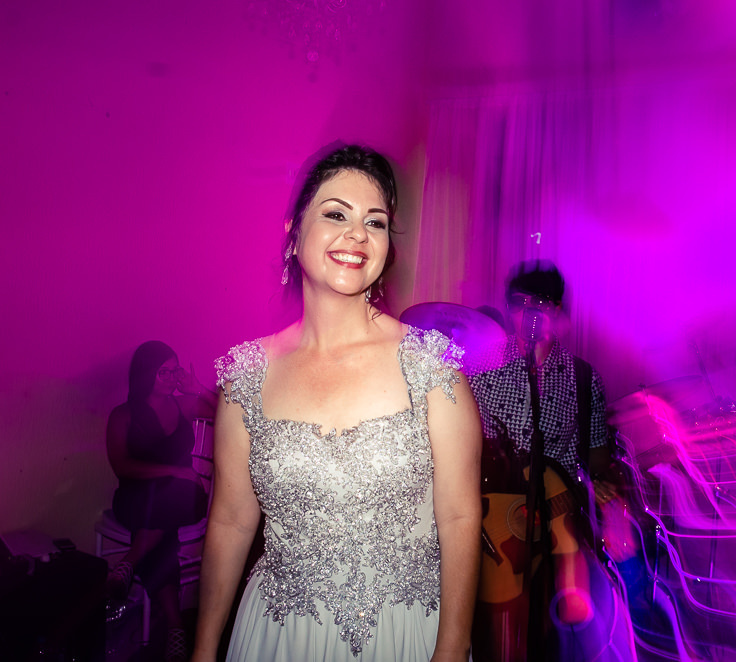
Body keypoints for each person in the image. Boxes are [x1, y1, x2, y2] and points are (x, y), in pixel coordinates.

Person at [191, 144, 482, 662]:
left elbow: (460, 516)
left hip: (403, 634)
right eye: (335, 214)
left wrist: (453, 646)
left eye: (375, 222)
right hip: (278, 636)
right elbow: (232, 521)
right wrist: (204, 648)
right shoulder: (246, 376)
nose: (357, 235)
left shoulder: (432, 370)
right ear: (292, 233)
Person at [469, 260, 630, 661]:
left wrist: (606, 488)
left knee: (554, 632)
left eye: (540, 303)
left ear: (558, 311)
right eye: (520, 303)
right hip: (493, 522)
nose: (530, 313)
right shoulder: (479, 364)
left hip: (556, 523)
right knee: (497, 636)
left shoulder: (584, 378)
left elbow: (595, 455)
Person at [105, 340, 217, 662]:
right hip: (137, 498)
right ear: (145, 374)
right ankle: (176, 627)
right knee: (162, 535)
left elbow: (227, 415)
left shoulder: (183, 405)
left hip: (182, 498)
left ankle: (128, 563)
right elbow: (122, 466)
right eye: (163, 372)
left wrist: (198, 388)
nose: (171, 378)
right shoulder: (123, 415)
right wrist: (174, 470)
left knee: (168, 507)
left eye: (174, 370)